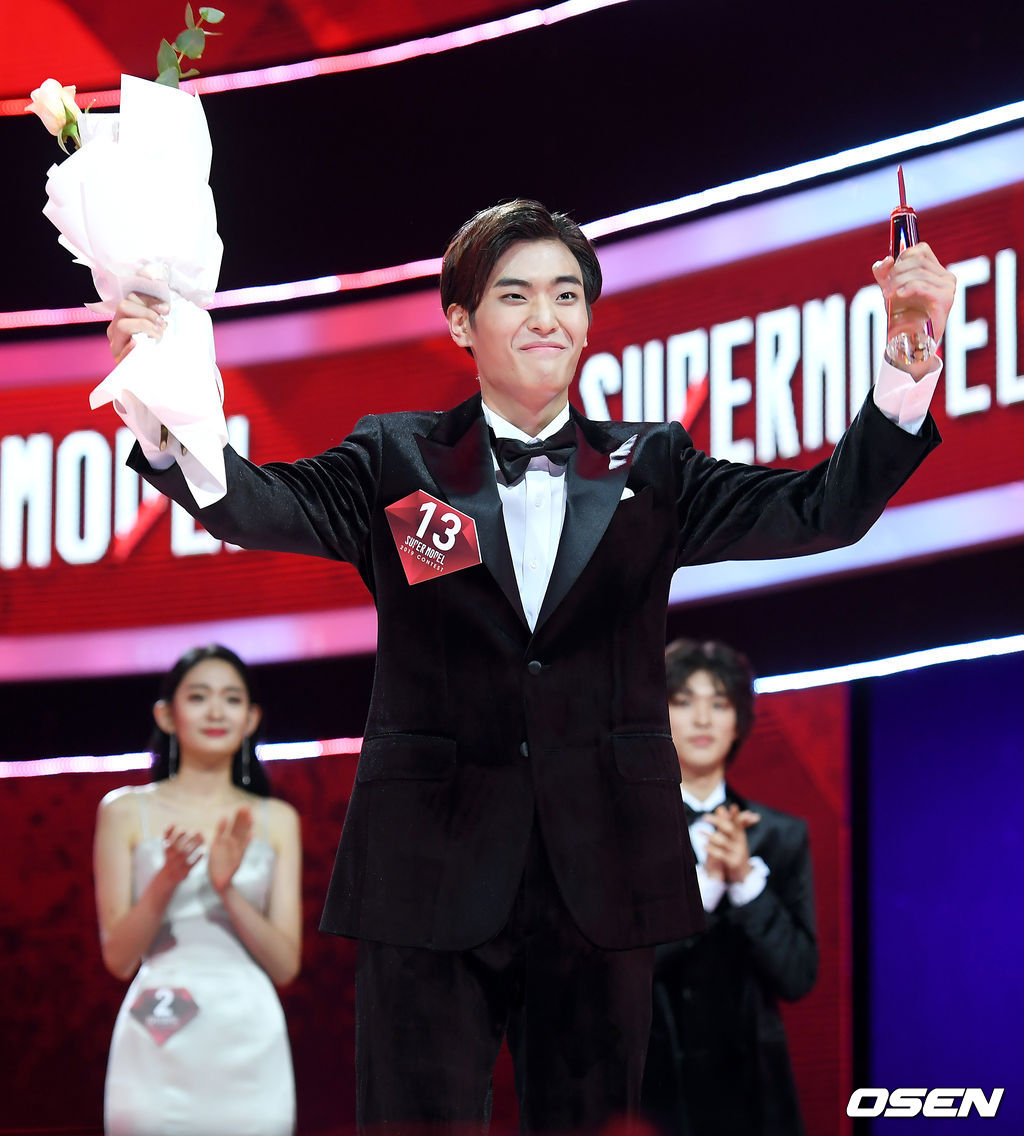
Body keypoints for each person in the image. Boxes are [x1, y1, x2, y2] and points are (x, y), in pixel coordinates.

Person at [103, 199, 955, 1133]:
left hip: (606, 873)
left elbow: (821, 511)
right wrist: (160, 401)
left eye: (566, 294)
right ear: (460, 322)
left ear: (588, 320)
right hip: (426, 868)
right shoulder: (396, 458)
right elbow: (253, 503)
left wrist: (906, 368)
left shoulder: (655, 464)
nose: (546, 316)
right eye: (514, 295)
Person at [93, 644, 302, 1136]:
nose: (215, 712)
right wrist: (166, 880)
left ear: (251, 719)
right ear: (166, 715)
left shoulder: (276, 819)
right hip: (158, 1020)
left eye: (231, 699)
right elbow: (119, 959)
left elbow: (285, 966)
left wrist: (226, 890)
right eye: (198, 697)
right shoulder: (124, 811)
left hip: (248, 1028)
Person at [641, 639, 817, 1136]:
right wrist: (705, 887)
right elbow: (616, 969)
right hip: (653, 1089)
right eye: (683, 702)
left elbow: (798, 976)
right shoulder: (627, 834)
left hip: (754, 1097)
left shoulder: (780, 836)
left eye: (719, 704)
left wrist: (745, 883)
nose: (702, 719)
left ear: (738, 721)